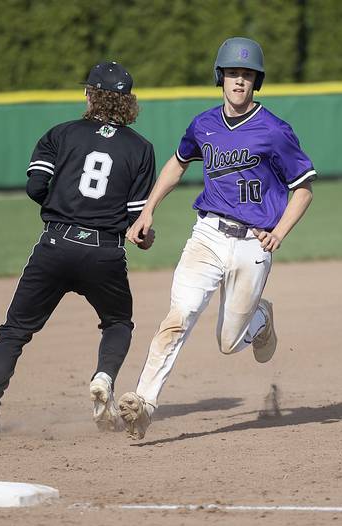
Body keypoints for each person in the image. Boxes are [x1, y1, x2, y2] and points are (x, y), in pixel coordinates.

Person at [117, 37, 316, 439]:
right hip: (207, 233)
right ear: (220, 78)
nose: (238, 81)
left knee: (228, 342)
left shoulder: (275, 130)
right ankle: (145, 402)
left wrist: (280, 231)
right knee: (179, 316)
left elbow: (304, 187)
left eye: (246, 75)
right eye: (232, 74)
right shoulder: (203, 124)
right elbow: (178, 162)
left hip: (253, 244)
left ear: (256, 81)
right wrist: (148, 208)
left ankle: (260, 319)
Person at [0, 61, 156, 437]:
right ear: (128, 103)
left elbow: (35, 187)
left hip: (56, 243)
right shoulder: (141, 149)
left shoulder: (61, 134)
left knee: (14, 332)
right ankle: (103, 376)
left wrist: (64, 205)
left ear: (89, 95)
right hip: (105, 251)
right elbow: (138, 224)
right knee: (118, 323)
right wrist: (144, 237)